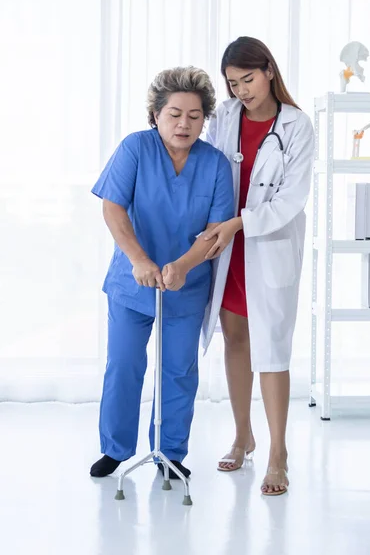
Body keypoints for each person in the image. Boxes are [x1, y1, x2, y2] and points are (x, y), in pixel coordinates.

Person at [90, 66, 234, 479]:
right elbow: (113, 208)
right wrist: (139, 259)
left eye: (194, 115)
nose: (184, 123)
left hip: (186, 287)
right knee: (123, 364)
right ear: (155, 114)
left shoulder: (216, 165)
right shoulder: (135, 149)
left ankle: (170, 454)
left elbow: (216, 231)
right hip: (131, 284)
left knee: (178, 371)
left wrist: (184, 266)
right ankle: (115, 449)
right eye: (174, 113)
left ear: (205, 118)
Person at [201, 37, 314, 495]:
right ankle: (242, 434)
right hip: (229, 247)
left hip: (267, 245)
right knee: (236, 338)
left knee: (272, 349)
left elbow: (292, 199)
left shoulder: (296, 125)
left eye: (248, 79)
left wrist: (239, 224)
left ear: (269, 70)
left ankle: (277, 453)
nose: (241, 91)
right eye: (233, 83)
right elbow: (210, 171)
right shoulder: (225, 117)